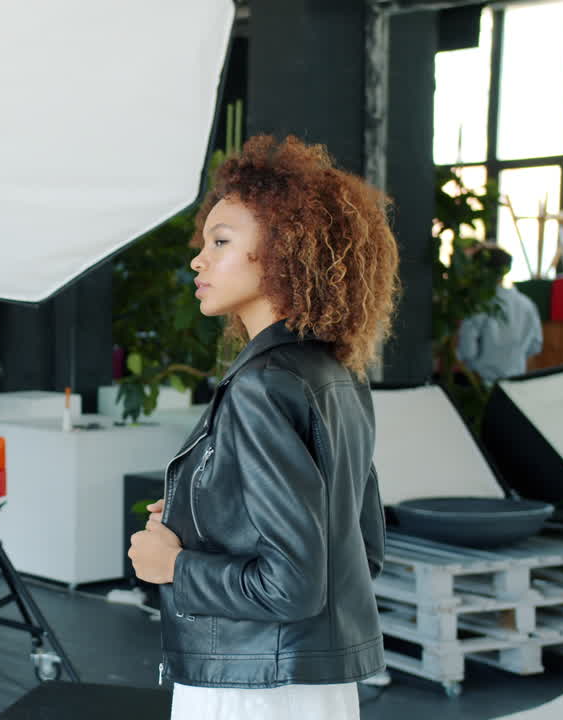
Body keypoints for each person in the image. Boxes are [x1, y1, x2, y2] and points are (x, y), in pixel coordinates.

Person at [128, 135, 398, 720]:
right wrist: (192, 516)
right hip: (315, 685)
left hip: (250, 687)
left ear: (284, 251)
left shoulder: (262, 387)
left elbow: (291, 585)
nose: (198, 260)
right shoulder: (336, 374)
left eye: (221, 242)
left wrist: (170, 566)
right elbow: (361, 551)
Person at [456, 245, 543, 384]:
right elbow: (535, 346)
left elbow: (468, 350)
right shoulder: (527, 304)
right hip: (516, 381)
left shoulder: (479, 305)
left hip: (480, 384)